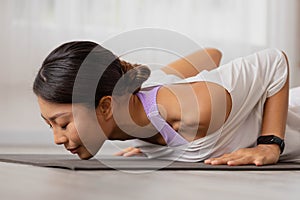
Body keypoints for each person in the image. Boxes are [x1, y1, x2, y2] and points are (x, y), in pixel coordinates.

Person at [33, 41, 300, 166]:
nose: (57, 138)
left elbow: (274, 61)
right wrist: (151, 144)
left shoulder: (194, 109)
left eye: (63, 123)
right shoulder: (132, 97)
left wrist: (270, 144)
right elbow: (212, 55)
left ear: (105, 107)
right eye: (50, 126)